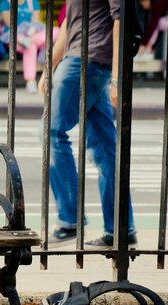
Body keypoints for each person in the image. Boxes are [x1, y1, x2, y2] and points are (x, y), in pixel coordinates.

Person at [38, 0, 137, 249]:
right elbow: (68, 26)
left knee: (51, 132)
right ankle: (121, 229)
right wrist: (48, 67)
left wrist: (117, 76)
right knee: (105, 148)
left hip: (87, 61)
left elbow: (120, 19)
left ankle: (70, 219)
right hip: (84, 60)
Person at [0, 0, 59, 93]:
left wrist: (30, 34)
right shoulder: (5, 3)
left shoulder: (33, 2)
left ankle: (27, 41)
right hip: (14, 36)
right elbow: (9, 24)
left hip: (31, 35)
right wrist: (23, 35)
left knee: (56, 31)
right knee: (30, 47)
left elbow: (35, 22)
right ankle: (31, 82)